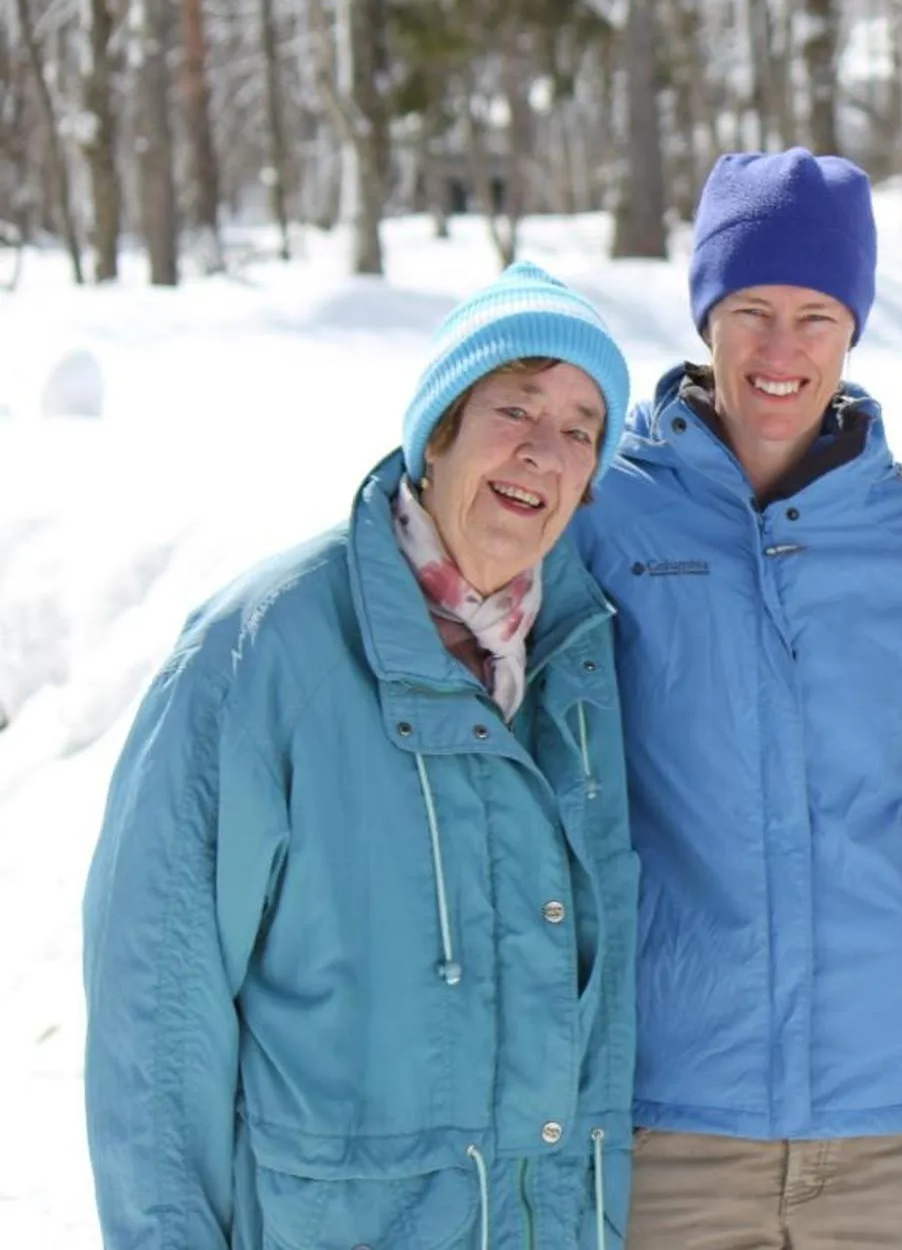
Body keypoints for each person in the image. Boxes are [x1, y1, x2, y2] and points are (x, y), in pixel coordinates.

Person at [83, 264, 639, 1250]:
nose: (542, 453)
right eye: (513, 407)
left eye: (579, 428)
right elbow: (159, 1006)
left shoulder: (585, 660)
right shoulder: (264, 651)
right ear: (437, 431)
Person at [569, 149, 902, 1250]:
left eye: (817, 314)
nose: (779, 348)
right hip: (669, 1115)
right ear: (705, 314)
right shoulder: (602, 516)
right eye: (749, 308)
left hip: (897, 1121)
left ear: (853, 327)